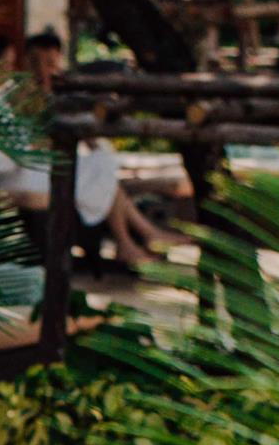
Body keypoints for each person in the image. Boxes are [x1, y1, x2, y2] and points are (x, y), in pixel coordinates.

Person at [13, 30, 171, 273]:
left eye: (50, 63)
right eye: (36, 63)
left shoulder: (60, 94)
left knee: (103, 166)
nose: (43, 70)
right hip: (29, 169)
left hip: (49, 165)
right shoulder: (21, 97)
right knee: (103, 170)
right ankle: (135, 238)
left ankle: (132, 240)